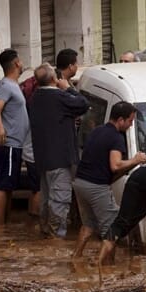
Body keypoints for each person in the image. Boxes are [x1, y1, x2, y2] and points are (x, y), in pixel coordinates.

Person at [72, 102, 146, 258]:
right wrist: (135, 160)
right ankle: (105, 266)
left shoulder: (97, 131)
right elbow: (115, 165)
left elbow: (101, 162)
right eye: (130, 121)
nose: (131, 125)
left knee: (88, 224)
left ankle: (76, 257)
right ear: (120, 120)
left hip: (80, 183)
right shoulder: (116, 137)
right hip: (96, 187)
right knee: (113, 228)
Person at [28, 63, 88, 238]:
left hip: (42, 159)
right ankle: (56, 239)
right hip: (60, 159)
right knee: (59, 200)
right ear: (54, 79)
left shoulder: (35, 97)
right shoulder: (59, 97)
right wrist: (68, 88)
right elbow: (83, 104)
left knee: (47, 199)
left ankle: (46, 232)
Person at [0, 49, 38, 226]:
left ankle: (5, 224)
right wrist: (0, 129)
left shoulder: (13, 85)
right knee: (4, 184)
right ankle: (0, 227)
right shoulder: (5, 86)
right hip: (8, 143)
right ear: (17, 63)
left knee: (9, 185)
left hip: (16, 144)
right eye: (21, 59)